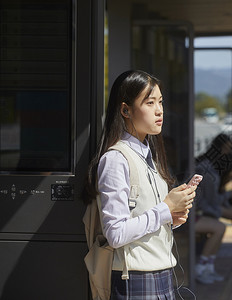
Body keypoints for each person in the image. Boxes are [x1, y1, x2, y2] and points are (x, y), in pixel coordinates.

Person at [84, 70, 197, 300]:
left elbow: (144, 217)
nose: (159, 110)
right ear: (125, 110)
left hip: (160, 273)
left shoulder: (149, 155)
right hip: (134, 278)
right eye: (150, 102)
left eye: (161, 102)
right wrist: (165, 209)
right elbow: (115, 233)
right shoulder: (116, 159)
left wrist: (171, 217)